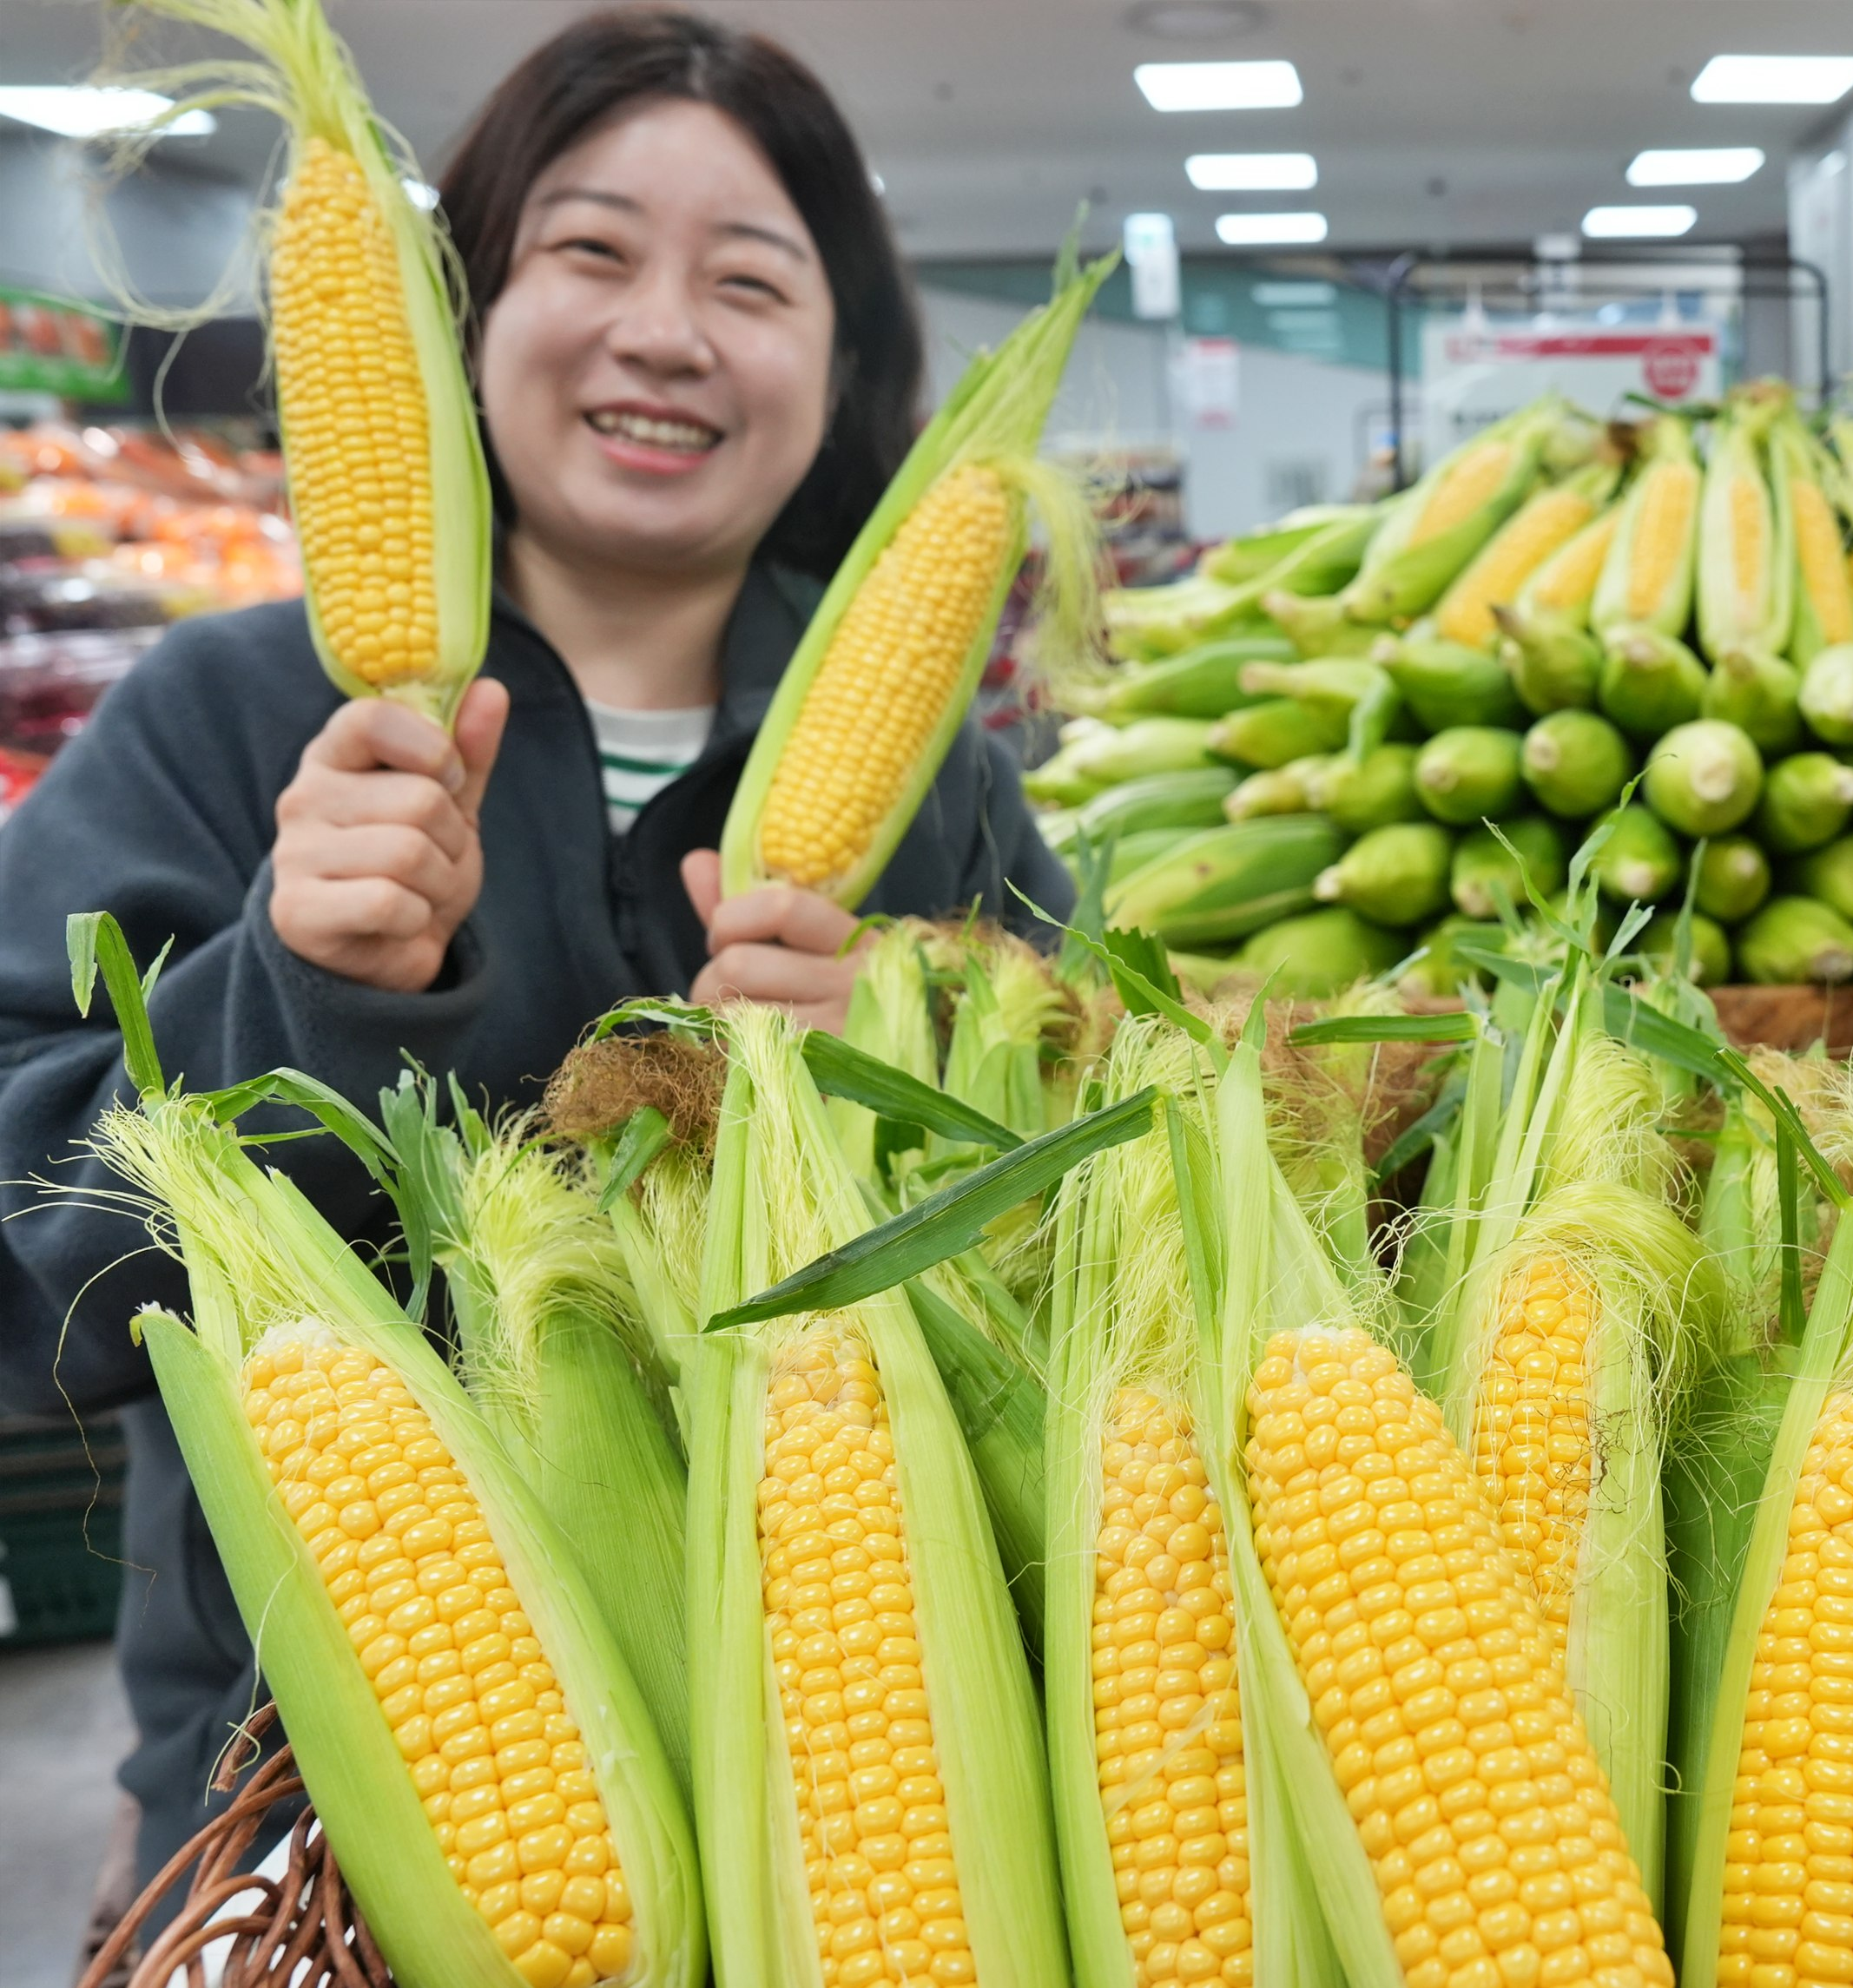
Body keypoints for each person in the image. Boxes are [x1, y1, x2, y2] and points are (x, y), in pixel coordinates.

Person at [0, 10, 1068, 1887]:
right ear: (457, 318)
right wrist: (297, 987)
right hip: (307, 1811)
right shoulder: (222, 718)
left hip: (855, 1808)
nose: (664, 330)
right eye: (588, 252)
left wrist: (925, 1062)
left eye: (751, 279)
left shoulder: (953, 791)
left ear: (842, 365)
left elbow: (1101, 1281)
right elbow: (28, 1295)